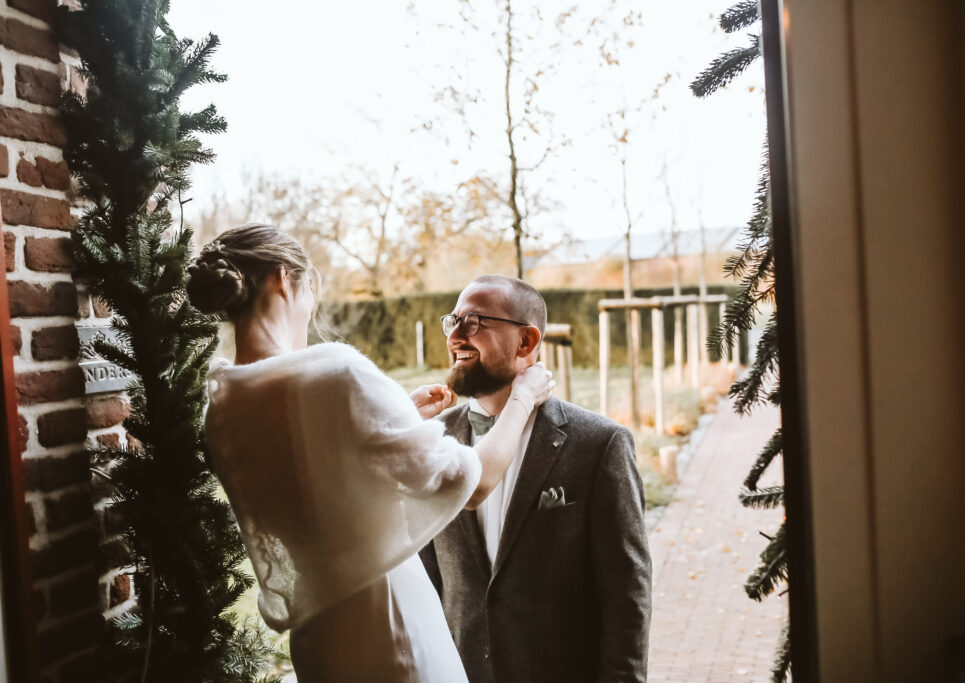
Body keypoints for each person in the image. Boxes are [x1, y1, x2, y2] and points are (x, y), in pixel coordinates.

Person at [186, 224, 553, 683]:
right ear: (284, 278)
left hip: (318, 640)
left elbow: (313, 468)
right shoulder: (336, 372)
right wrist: (523, 396)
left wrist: (401, 417)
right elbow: (472, 482)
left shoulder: (221, 409)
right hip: (390, 624)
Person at [420, 275, 653, 683]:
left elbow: (626, 596)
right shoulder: (433, 439)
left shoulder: (600, 445)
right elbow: (426, 582)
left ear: (526, 342)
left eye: (473, 322)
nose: (455, 336)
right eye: (452, 321)